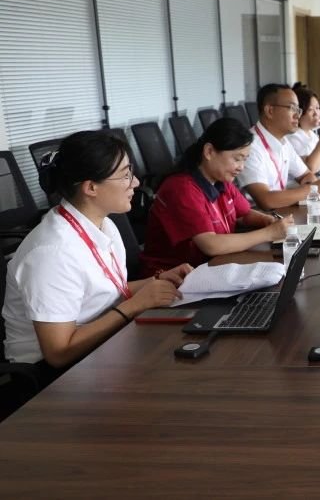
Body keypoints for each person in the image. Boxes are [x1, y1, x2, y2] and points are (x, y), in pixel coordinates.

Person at [2, 131, 190, 380]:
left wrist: (157, 281)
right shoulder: (52, 253)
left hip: (99, 341)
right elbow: (58, 353)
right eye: (125, 175)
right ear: (91, 187)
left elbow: (103, 292)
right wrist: (135, 305)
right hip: (50, 375)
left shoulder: (104, 225)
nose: (135, 182)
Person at [140, 118, 296, 276]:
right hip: (171, 278)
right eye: (237, 159)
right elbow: (211, 245)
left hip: (212, 266)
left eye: (245, 159)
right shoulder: (181, 189)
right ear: (209, 152)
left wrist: (267, 220)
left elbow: (244, 214)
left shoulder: (221, 180)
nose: (241, 167)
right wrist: (269, 233)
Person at [238, 83, 320, 209]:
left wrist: (314, 185)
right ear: (270, 111)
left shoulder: (283, 141)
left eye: (298, 110)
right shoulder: (250, 146)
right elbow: (265, 200)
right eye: (292, 108)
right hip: (258, 216)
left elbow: (306, 175)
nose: (297, 115)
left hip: (281, 212)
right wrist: (313, 189)